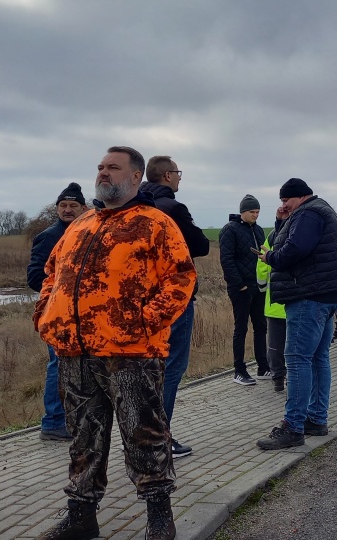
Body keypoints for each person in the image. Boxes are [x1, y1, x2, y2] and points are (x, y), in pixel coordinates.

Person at [34, 146, 195, 540]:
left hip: (131, 354)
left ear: (136, 176)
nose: (103, 173)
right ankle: (82, 516)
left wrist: (142, 322)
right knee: (83, 439)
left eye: (113, 168)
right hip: (75, 352)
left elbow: (180, 278)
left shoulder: (154, 223)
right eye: (101, 167)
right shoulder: (82, 224)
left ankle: (159, 517)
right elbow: (51, 271)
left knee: (144, 434)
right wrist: (45, 314)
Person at [255, 178, 337, 451]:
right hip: (326, 296)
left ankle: (293, 427)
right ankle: (316, 419)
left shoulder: (309, 213)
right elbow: (292, 239)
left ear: (300, 196)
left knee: (297, 360)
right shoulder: (319, 210)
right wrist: (282, 221)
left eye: (286, 200)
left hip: (308, 296)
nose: (283, 204)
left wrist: (269, 258)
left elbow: (294, 250)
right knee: (319, 358)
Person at [140, 155, 210, 458]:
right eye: (178, 173)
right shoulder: (172, 208)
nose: (180, 178)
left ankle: (142, 435)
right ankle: (160, 438)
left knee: (147, 369)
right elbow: (201, 245)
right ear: (167, 176)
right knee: (171, 369)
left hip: (145, 300)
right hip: (174, 299)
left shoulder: (137, 207)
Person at [27, 182, 87, 442]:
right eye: (63, 205)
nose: (67, 209)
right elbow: (34, 276)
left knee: (74, 366)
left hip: (78, 312)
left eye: (73, 205)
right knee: (57, 365)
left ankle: (69, 419)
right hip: (58, 313)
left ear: (84, 208)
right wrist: (60, 293)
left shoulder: (83, 231)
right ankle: (52, 422)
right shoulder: (51, 235)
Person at [219, 194, 268, 386]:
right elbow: (227, 260)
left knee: (261, 327)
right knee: (241, 328)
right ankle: (239, 370)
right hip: (240, 288)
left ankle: (263, 367)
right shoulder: (230, 230)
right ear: (243, 212)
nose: (255, 215)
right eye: (252, 212)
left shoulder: (259, 231)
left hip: (258, 286)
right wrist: (240, 284)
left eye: (257, 212)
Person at [256, 206, 291, 392]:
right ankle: (293, 380)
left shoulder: (271, 237)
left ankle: (278, 377)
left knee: (275, 345)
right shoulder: (299, 235)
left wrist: (262, 287)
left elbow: (261, 264)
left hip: (274, 302)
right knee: (294, 345)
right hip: (295, 302)